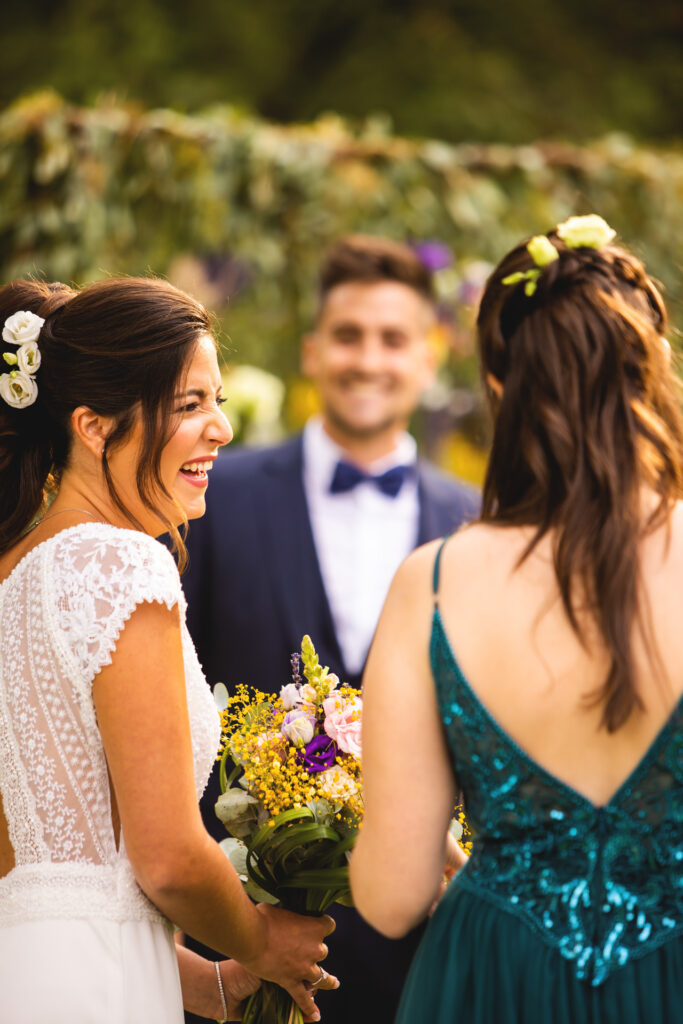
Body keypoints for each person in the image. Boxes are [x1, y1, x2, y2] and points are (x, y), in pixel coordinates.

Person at [350, 215, 683, 1023]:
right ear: (649, 372)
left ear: (500, 386)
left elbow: (392, 899)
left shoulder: (433, 583)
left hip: (494, 980)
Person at [0, 277, 338, 1024]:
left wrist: (205, 983)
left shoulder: (14, 572)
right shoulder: (120, 566)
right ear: (94, 427)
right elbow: (167, 858)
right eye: (189, 405)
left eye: (217, 400)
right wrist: (259, 941)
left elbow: (37, 865)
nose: (220, 427)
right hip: (96, 989)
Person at [181, 235, 479, 1024]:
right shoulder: (215, 498)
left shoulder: (479, 523)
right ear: (312, 352)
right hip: (239, 936)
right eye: (347, 336)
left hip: (419, 945)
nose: (367, 360)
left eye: (393, 339)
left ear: (429, 357)